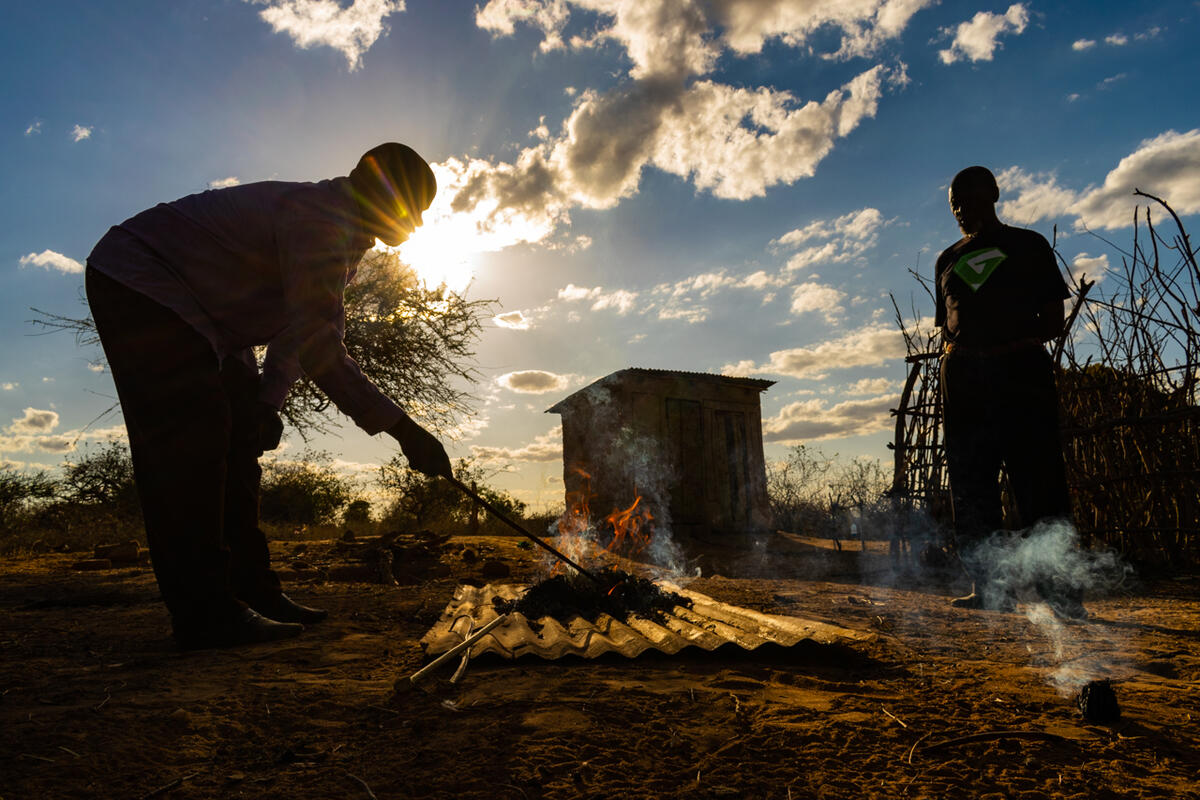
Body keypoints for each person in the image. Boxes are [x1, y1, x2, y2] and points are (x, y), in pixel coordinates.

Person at [86, 143, 454, 649]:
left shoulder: (343, 241)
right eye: (411, 209)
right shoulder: (318, 221)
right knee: (193, 442)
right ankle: (204, 614)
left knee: (240, 443)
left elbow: (302, 330)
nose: (415, 225)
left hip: (212, 320)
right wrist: (405, 431)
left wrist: (266, 403)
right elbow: (320, 347)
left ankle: (253, 590)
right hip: (142, 277)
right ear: (377, 192)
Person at [934, 165, 1084, 617]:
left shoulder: (1028, 246)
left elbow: (1053, 321)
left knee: (1040, 482)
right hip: (963, 383)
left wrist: (1005, 343)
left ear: (995, 193)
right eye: (954, 201)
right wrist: (962, 359)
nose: (961, 206)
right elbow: (949, 328)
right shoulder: (946, 260)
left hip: (1020, 374)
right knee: (972, 487)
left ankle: (1062, 595)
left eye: (969, 195)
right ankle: (991, 590)